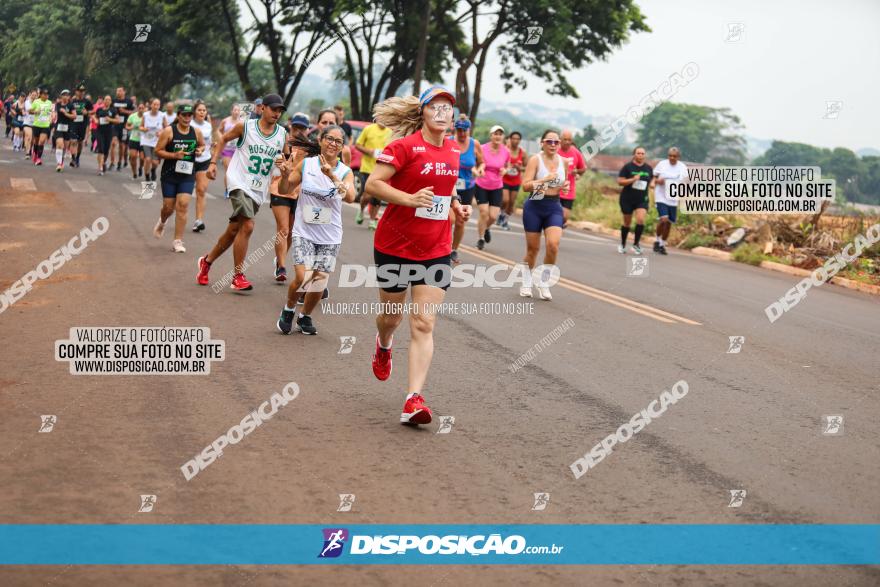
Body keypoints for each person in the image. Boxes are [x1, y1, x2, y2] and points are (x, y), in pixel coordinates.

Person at [365, 85, 472, 425]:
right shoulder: (404, 147)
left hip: (435, 249)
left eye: (448, 108)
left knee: (424, 323)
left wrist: (456, 205)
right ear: (422, 113)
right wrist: (409, 199)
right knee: (392, 318)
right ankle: (383, 344)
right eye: (436, 107)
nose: (443, 112)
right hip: (394, 246)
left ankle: (413, 399)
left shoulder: (454, 151)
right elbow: (373, 184)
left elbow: (446, 185)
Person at [197, 94, 289, 291]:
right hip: (238, 181)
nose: (277, 113)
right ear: (262, 108)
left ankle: (207, 261)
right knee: (247, 225)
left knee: (234, 230)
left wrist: (284, 165)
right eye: (274, 109)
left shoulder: (282, 134)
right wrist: (213, 163)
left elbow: (286, 160)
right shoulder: (245, 126)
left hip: (258, 189)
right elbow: (223, 139)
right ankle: (237, 276)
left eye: (280, 110)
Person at [276, 124, 355, 335]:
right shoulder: (306, 164)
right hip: (304, 232)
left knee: (319, 280)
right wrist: (284, 175)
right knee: (303, 277)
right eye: (329, 139)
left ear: (342, 147)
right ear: (321, 140)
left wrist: (332, 177)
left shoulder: (345, 172)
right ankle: (289, 308)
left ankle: (305, 317)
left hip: (330, 235)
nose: (332, 144)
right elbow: (285, 189)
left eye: (338, 141)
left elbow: (350, 197)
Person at [519, 129, 568, 300]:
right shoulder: (535, 159)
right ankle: (526, 282)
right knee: (533, 249)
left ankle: (544, 282)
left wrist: (564, 187)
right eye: (549, 141)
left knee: (553, 245)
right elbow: (525, 186)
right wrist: (544, 180)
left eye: (556, 142)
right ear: (542, 143)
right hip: (535, 205)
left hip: (554, 205)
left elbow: (563, 183)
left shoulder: (564, 162)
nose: (553, 145)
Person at [153, 104, 205, 253]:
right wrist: (174, 155)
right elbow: (157, 151)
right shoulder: (169, 131)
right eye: (184, 115)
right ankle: (162, 221)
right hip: (169, 174)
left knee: (182, 205)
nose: (187, 118)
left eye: (190, 115)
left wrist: (200, 150)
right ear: (178, 116)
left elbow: (202, 145)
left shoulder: (196, 132)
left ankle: (178, 241)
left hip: (187, 175)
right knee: (168, 207)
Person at [270, 112, 310, 282]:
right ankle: (281, 267)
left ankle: (280, 258)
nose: (299, 131)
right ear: (290, 126)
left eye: (302, 128)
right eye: (296, 127)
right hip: (279, 189)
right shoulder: (281, 141)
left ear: (307, 130)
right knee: (283, 229)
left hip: (299, 193)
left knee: (292, 232)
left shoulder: (311, 148)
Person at [449, 115, 484, 263]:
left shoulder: (474, 144)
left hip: (467, 186)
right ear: (455, 129)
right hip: (449, 185)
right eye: (459, 130)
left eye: (465, 130)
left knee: (460, 221)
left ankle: (454, 249)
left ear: (469, 129)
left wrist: (480, 169)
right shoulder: (448, 141)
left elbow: (482, 162)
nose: (462, 133)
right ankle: (441, 247)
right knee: (449, 219)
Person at [474, 125, 510, 250]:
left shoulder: (506, 151)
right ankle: (481, 238)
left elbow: (507, 165)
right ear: (491, 136)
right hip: (481, 184)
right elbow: (476, 162)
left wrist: (505, 170)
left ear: (503, 137)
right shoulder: (482, 148)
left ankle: (487, 228)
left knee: (493, 216)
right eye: (495, 134)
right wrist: (480, 169)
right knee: (484, 213)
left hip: (497, 185)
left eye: (500, 134)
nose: (498, 136)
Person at [353, 118, 393, 230]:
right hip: (367, 168)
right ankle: (361, 210)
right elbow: (358, 145)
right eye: (381, 116)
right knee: (367, 196)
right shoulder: (368, 129)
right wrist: (370, 151)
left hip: (382, 169)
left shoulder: (391, 132)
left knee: (377, 196)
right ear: (377, 117)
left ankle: (372, 220)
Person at [617, 146, 653, 254]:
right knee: (627, 223)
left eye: (642, 153)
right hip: (627, 198)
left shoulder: (648, 168)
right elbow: (619, 182)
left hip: (642, 199)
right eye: (638, 153)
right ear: (634, 154)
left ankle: (636, 244)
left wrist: (653, 183)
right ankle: (623, 244)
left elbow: (651, 179)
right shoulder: (627, 167)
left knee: (641, 219)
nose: (640, 155)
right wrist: (633, 179)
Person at [653, 147, 688, 256]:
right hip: (661, 196)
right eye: (670, 156)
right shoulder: (662, 164)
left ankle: (662, 245)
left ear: (678, 157)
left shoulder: (682, 167)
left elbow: (686, 181)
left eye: (674, 156)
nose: (672, 158)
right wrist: (657, 181)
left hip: (673, 198)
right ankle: (657, 240)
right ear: (668, 156)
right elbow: (653, 177)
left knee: (668, 223)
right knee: (664, 219)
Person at [190, 101, 214, 233]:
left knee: (201, 190)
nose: (202, 112)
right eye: (199, 110)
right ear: (194, 112)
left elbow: (209, 143)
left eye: (204, 110)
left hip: (204, 160)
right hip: (189, 160)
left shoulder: (208, 126)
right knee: (185, 193)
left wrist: (213, 157)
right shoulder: (189, 124)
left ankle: (198, 220)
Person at [557, 129, 586, 228]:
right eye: (565, 139)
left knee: (565, 216)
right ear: (560, 139)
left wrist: (576, 171)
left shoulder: (576, 152)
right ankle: (553, 228)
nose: (567, 142)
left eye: (569, 140)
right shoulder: (555, 150)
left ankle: (554, 226)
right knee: (553, 213)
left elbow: (583, 169)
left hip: (569, 190)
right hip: (554, 188)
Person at [499, 131, 525, 230]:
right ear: (510, 139)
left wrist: (520, 168)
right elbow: (499, 163)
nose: (515, 141)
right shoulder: (505, 151)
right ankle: (501, 213)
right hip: (505, 179)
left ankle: (505, 220)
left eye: (517, 139)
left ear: (520, 140)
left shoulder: (522, 153)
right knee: (505, 200)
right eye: (513, 138)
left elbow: (526, 167)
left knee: (511, 203)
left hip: (516, 181)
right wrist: (506, 166)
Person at [92, 96, 121, 175]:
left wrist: (110, 119)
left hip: (108, 132)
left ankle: (103, 163)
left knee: (106, 150)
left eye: (109, 100)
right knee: (100, 148)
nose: (107, 101)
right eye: (105, 99)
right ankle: (100, 168)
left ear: (111, 102)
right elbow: (94, 116)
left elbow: (118, 120)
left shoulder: (113, 110)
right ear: (103, 101)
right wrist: (96, 120)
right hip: (99, 131)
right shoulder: (99, 110)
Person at [219, 104, 242, 195]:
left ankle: (233, 188)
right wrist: (222, 137)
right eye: (235, 110)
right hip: (227, 149)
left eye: (238, 110)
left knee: (236, 172)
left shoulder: (241, 123)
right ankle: (227, 190)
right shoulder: (225, 121)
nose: (236, 112)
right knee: (228, 171)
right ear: (231, 111)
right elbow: (219, 130)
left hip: (237, 150)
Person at [51, 90, 76, 172]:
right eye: (64, 95)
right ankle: (58, 164)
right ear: (61, 96)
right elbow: (53, 113)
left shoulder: (71, 105)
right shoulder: (57, 105)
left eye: (67, 95)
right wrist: (53, 116)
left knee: (64, 147)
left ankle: (61, 162)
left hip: (67, 128)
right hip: (58, 127)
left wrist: (65, 113)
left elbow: (74, 116)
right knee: (59, 144)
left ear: (69, 97)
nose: (65, 96)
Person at [139, 98, 164, 182]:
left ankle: (153, 170)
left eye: (158, 105)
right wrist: (144, 129)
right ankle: (147, 175)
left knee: (155, 162)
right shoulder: (145, 115)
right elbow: (140, 126)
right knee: (148, 159)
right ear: (151, 105)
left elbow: (167, 127)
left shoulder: (162, 115)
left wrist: (161, 132)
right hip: (146, 140)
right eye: (154, 104)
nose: (156, 106)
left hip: (156, 141)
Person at [68, 84, 92, 168]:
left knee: (80, 142)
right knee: (73, 141)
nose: (81, 93)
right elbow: (68, 110)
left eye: (83, 91)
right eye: (80, 91)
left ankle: (77, 157)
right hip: (73, 123)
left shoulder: (87, 101)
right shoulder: (72, 101)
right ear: (76, 92)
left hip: (82, 124)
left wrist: (87, 112)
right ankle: (73, 159)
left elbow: (92, 111)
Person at [29, 88, 54, 166]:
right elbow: (30, 111)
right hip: (37, 125)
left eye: (47, 94)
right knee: (36, 142)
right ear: (40, 95)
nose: (46, 96)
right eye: (44, 94)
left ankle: (39, 158)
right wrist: (35, 111)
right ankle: (35, 153)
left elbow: (51, 112)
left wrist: (52, 117)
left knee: (41, 141)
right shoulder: (36, 102)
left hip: (45, 125)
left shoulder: (50, 103)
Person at [111, 87, 134, 171]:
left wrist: (124, 111)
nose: (118, 92)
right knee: (113, 143)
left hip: (124, 126)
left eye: (120, 91)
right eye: (117, 91)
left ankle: (119, 163)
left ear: (124, 92)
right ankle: (112, 162)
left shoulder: (129, 101)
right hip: (115, 125)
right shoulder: (113, 101)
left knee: (122, 146)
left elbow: (133, 112)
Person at [125, 102, 145, 179]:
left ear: (145, 109)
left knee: (142, 158)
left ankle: (140, 167)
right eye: (139, 108)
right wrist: (131, 127)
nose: (141, 110)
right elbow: (127, 126)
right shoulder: (132, 116)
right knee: (133, 156)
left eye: (142, 108)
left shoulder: (146, 117)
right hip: (133, 139)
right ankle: (134, 172)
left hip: (143, 140)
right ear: (137, 109)